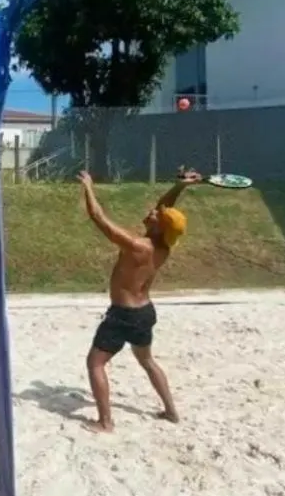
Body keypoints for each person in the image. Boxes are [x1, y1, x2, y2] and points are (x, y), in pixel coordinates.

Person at [77, 167, 203, 433]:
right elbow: (164, 209)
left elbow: (98, 217)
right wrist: (180, 187)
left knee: (95, 363)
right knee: (147, 361)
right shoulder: (164, 246)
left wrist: (88, 186)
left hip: (123, 315)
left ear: (159, 226)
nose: (153, 210)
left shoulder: (138, 246)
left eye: (157, 215)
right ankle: (171, 411)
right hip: (145, 313)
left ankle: (105, 422)